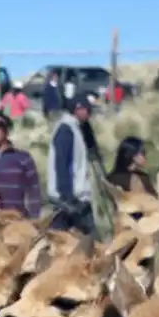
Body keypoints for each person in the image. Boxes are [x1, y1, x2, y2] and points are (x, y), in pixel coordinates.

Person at [46, 94, 97, 235]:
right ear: (77, 109)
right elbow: (61, 164)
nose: (90, 113)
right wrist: (67, 197)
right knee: (88, 240)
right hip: (70, 199)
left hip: (75, 198)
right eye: (87, 109)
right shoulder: (66, 130)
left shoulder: (76, 129)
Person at [0, 112, 41, 219]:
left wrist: (34, 219)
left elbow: (33, 191)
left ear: (6, 131)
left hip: (17, 220)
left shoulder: (23, 158)